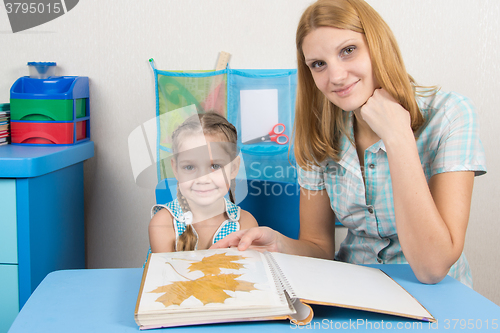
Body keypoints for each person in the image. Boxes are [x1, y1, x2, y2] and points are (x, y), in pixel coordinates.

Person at [212, 0, 486, 288]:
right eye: (319, 64)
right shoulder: (318, 132)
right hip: (354, 289)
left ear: (378, 45)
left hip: (437, 296)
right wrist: (278, 244)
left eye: (348, 51)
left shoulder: (450, 115)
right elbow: (318, 246)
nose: (336, 77)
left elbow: (432, 268)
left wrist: (397, 137)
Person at [149, 112, 258, 252]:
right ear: (175, 169)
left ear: (234, 168)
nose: (202, 179)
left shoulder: (246, 224)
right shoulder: (163, 224)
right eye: (189, 167)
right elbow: (165, 274)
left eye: (215, 166)